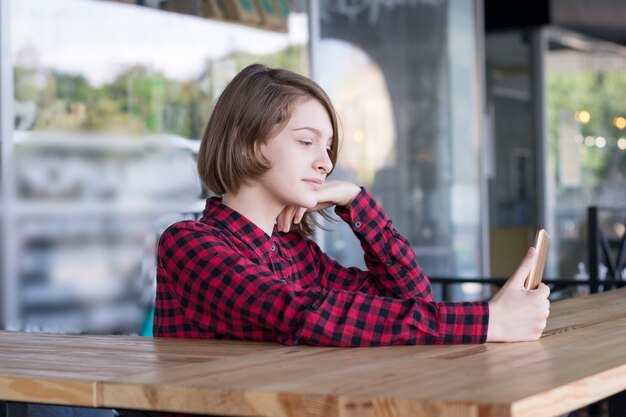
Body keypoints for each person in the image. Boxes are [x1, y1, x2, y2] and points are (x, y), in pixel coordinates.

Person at [154, 63, 550, 347]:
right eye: (306, 142)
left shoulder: (295, 252)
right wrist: (488, 322)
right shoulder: (188, 245)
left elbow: (410, 299)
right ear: (247, 143)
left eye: (327, 148)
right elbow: (303, 316)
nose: (325, 163)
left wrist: (356, 202)